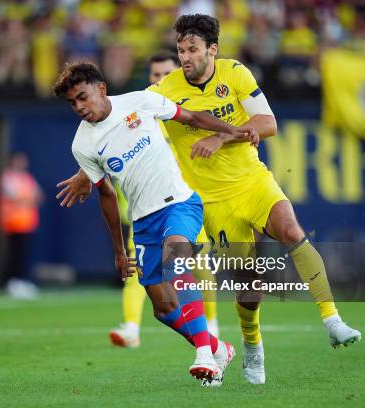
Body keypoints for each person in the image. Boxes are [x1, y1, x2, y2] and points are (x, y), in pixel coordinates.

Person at [56, 14, 362, 385]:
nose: (184, 56)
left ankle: (332, 320)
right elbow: (118, 123)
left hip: (249, 180)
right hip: (213, 201)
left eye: (191, 49)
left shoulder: (236, 74)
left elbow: (269, 124)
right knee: (248, 286)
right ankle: (249, 347)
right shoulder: (158, 93)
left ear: (211, 50)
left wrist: (223, 137)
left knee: (291, 230)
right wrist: (84, 174)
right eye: (180, 49)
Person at [53, 61, 256, 385]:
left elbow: (191, 117)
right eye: (72, 103)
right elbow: (105, 195)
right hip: (143, 221)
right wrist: (120, 250)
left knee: (177, 261)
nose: (79, 107)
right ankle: (220, 349)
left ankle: (204, 354)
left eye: (82, 97)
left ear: (101, 89)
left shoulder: (140, 102)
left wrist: (230, 131)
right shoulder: (83, 144)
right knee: (162, 307)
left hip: (180, 203)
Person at [96, 51, 220, 348]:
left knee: (197, 266)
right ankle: (131, 326)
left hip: (182, 203)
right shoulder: (140, 113)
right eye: (155, 75)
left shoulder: (177, 116)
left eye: (167, 74)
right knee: (141, 271)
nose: (161, 79)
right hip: (142, 212)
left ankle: (210, 327)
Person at [0, 152, 43, 299]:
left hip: (28, 223)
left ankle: (23, 281)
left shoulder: (27, 178)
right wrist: (28, 199)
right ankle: (12, 282)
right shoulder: (8, 178)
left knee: (25, 255)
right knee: (15, 255)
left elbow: (39, 196)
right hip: (13, 223)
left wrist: (25, 199)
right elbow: (13, 197)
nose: (21, 164)